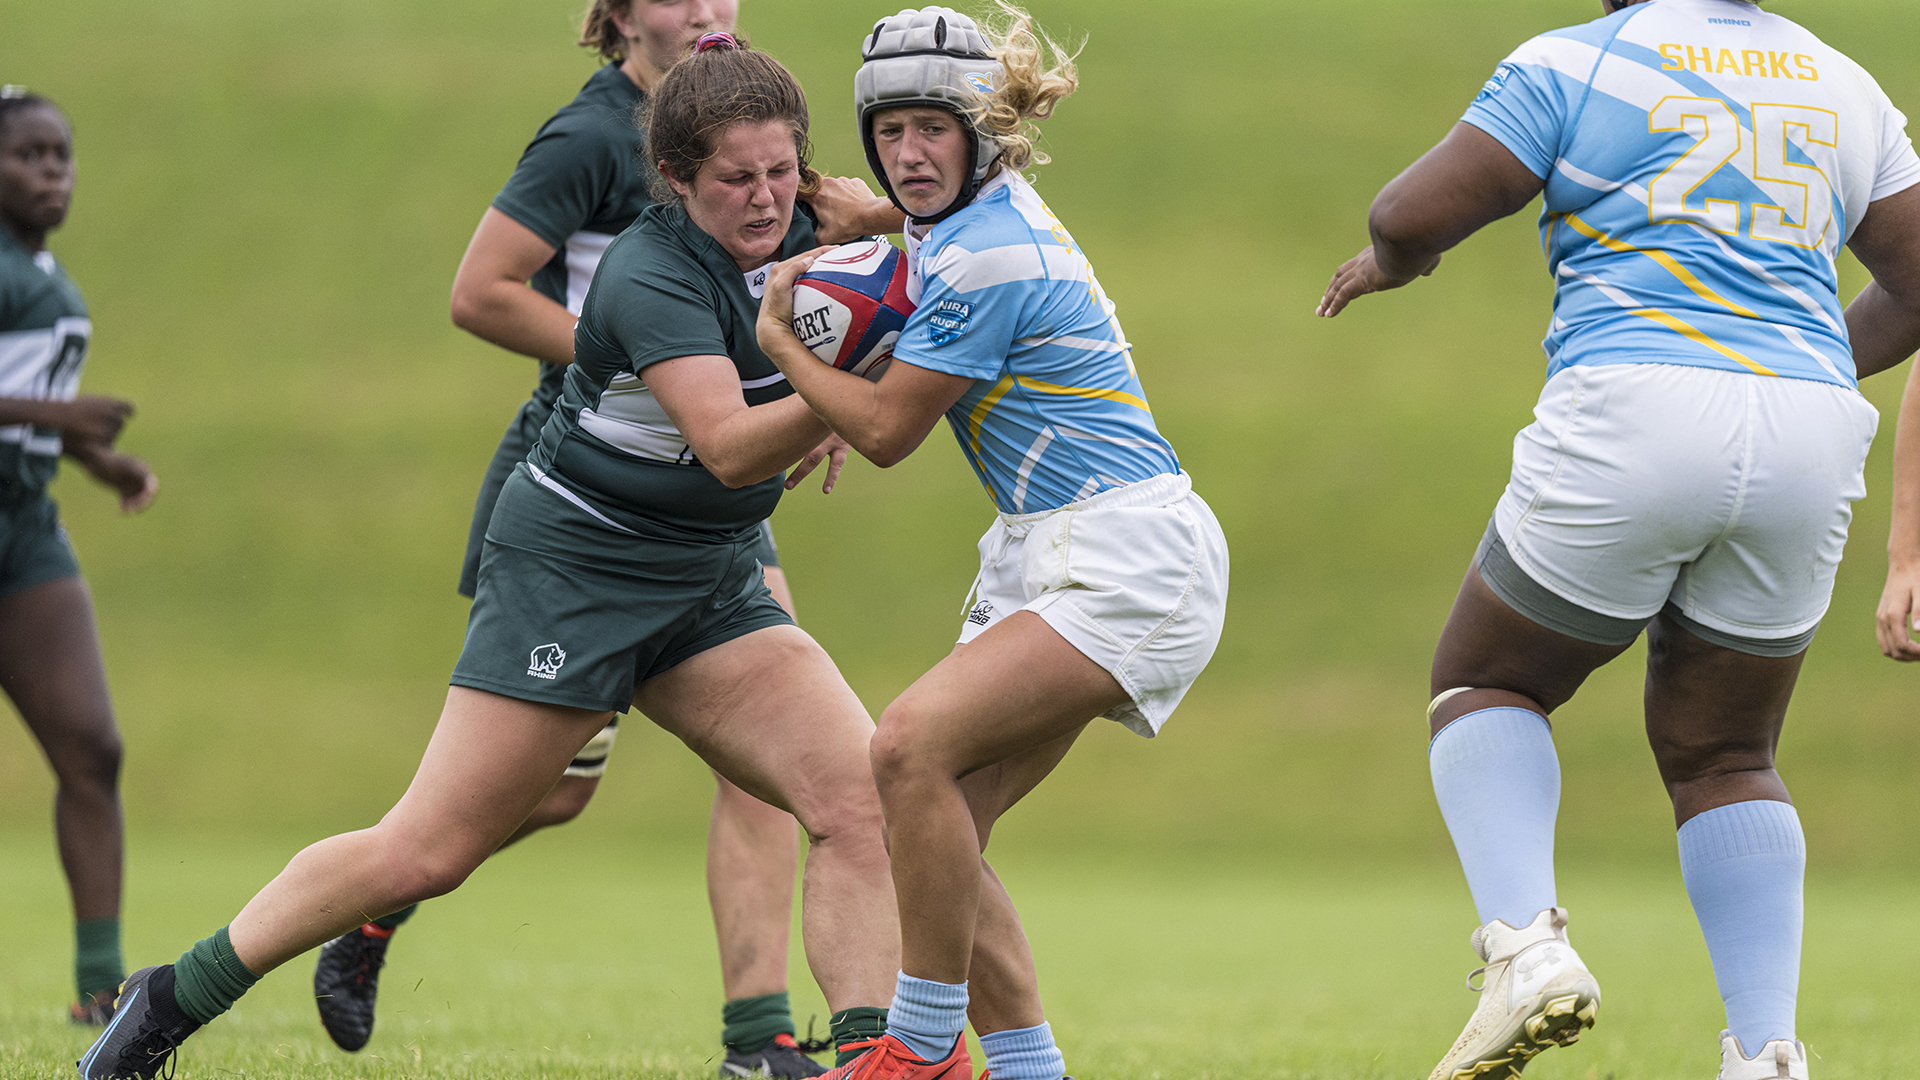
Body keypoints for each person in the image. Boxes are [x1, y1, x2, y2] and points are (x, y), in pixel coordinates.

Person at [79, 38, 903, 1080]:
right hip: (577, 571)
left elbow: (913, 238)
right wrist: (846, 394)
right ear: (674, 176)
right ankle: (169, 997)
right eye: (737, 178)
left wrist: (898, 221)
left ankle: (873, 1064)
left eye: (782, 171)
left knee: (860, 803)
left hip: (709, 578)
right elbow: (732, 447)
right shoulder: (651, 275)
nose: (765, 198)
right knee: (426, 851)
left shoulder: (808, 220)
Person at [1315, 0, 1920, 1076]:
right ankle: (1767, 1052)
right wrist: (1798, 358)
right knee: (1729, 753)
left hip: (1638, 398)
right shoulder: (1844, 81)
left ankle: (1525, 949)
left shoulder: (1577, 60)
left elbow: (1409, 211)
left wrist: (1391, 262)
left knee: (1488, 682)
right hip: (1811, 429)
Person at [311, 4, 896, 1073]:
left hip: (709, 497)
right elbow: (481, 291)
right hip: (594, 494)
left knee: (794, 766)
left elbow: (824, 285)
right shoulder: (592, 138)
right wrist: (657, 353)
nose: (706, 10)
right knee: (550, 795)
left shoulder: (755, 142)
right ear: (621, 13)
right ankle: (377, 899)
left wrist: (805, 360)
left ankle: (760, 1035)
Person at [754, 9, 1229, 1080]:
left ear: (985, 136)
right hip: (1059, 544)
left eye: (934, 130)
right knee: (938, 826)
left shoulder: (984, 257)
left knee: (904, 750)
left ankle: (921, 1051)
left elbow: (886, 434)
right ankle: (1024, 1068)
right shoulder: (968, 214)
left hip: (1123, 554)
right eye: (890, 132)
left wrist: (785, 345)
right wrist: (872, 211)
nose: (909, 155)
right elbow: (926, 224)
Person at [0, 86, 159, 1028]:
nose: (52, 171)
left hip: (22, 529)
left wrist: (96, 459)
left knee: (91, 747)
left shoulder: (40, 268)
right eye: (28, 155)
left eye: (61, 154)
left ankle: (100, 987)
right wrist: (60, 414)